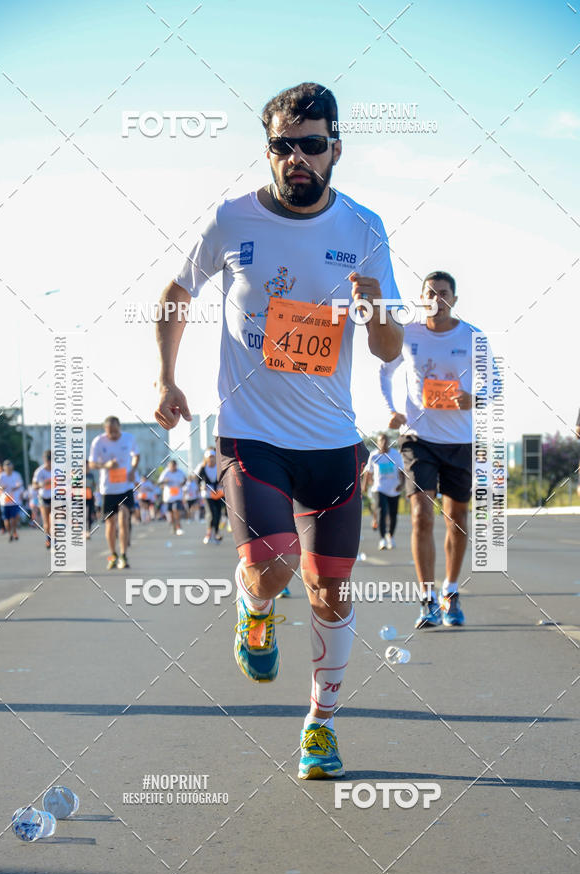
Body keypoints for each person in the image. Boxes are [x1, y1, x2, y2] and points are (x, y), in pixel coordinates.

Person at [154, 82, 402, 779]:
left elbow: (385, 349)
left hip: (331, 439)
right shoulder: (231, 220)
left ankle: (319, 728)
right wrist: (165, 379)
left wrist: (378, 308)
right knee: (273, 567)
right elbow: (178, 294)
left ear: (336, 149)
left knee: (331, 592)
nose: (297, 158)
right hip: (251, 434)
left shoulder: (364, 228)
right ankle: (255, 603)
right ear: (268, 151)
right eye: (282, 146)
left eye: (311, 145)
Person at [379, 270, 484, 628]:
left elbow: (496, 385)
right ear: (421, 297)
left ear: (453, 299)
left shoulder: (472, 337)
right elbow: (385, 370)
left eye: (443, 293)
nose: (436, 299)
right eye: (429, 293)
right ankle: (427, 599)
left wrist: (474, 398)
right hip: (417, 438)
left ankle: (450, 592)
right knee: (422, 514)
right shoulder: (408, 334)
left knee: (457, 520)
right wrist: (392, 409)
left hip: (460, 440)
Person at [88, 416, 140, 569]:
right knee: (110, 524)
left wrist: (133, 470)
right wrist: (106, 465)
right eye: (110, 432)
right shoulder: (98, 442)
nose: (114, 435)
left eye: (116, 431)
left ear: (120, 428)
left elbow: (136, 455)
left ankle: (123, 555)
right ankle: (113, 555)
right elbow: (91, 463)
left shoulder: (129, 438)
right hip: (108, 489)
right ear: (105, 430)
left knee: (123, 519)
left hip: (125, 486)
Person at [361, 433, 404, 550]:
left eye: (386, 440)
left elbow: (402, 472)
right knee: (382, 511)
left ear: (389, 442)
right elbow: (368, 472)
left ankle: (391, 536)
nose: (384, 443)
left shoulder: (395, 455)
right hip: (378, 488)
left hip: (394, 489)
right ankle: (382, 539)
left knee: (393, 514)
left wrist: (402, 485)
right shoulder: (374, 456)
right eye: (381, 441)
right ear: (378, 442)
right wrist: (364, 486)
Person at [195, 449, 224, 544]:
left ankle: (216, 532)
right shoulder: (202, 468)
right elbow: (197, 480)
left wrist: (222, 483)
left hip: (219, 493)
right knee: (211, 513)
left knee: (218, 513)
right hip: (207, 494)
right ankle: (208, 532)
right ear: (206, 459)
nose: (211, 460)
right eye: (209, 458)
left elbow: (224, 477)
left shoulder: (219, 467)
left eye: (213, 457)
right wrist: (201, 487)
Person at [0, 460, 24, 541]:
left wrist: (16, 487)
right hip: (5, 502)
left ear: (12, 467)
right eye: (6, 466)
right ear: (4, 467)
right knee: (6, 520)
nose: (8, 467)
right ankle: (10, 533)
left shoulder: (17, 475)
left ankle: (14, 531)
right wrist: (1, 488)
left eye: (10, 465)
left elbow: (20, 484)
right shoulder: (1, 476)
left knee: (14, 518)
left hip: (14, 500)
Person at [158, 460, 187, 535]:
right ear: (168, 466)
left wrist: (183, 483)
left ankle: (178, 525)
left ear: (176, 466)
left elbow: (185, 480)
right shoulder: (166, 472)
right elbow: (160, 482)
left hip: (178, 496)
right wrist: (165, 481)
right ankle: (173, 525)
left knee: (176, 510)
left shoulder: (180, 472)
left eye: (173, 466)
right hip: (168, 497)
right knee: (170, 513)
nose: (172, 468)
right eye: (170, 466)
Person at [32, 449, 53, 548]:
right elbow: (34, 486)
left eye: (51, 460)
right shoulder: (39, 471)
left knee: (55, 519)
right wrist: (41, 484)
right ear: (44, 460)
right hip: (43, 497)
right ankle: (48, 538)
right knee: (46, 522)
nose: (49, 462)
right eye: (47, 460)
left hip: (55, 497)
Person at [85, 460, 97, 539]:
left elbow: (94, 485)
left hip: (89, 497)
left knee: (89, 515)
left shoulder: (91, 475)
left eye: (87, 466)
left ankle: (88, 531)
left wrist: (93, 492)